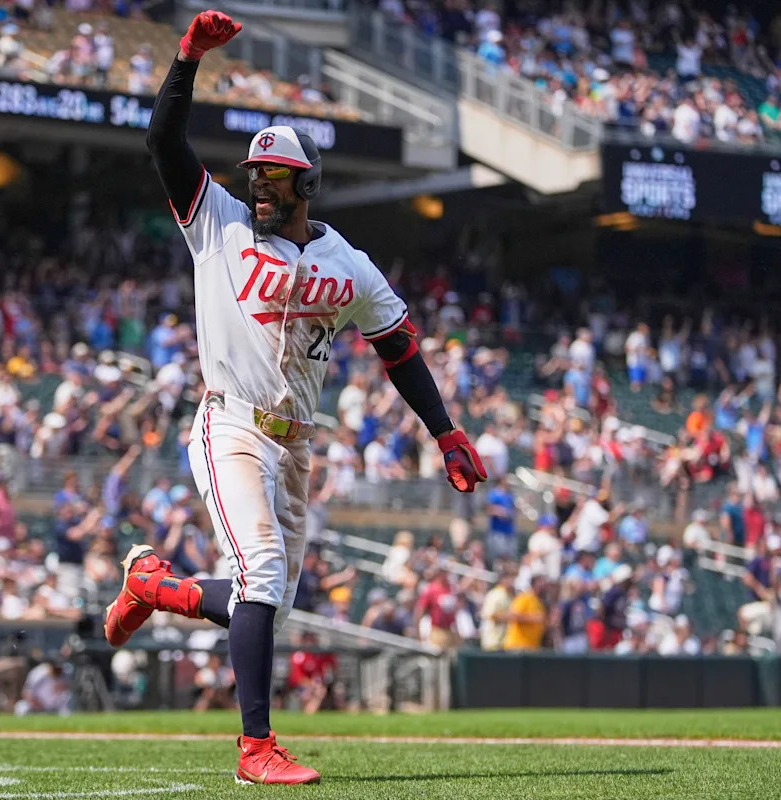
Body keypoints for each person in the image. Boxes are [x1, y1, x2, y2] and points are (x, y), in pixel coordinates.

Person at [101, 10, 486, 786]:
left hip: (296, 444)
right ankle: (255, 751)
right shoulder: (219, 224)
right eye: (255, 174)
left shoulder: (350, 262)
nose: (261, 186)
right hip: (230, 423)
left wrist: (445, 431)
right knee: (266, 574)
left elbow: (398, 347)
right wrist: (187, 58)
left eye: (275, 176)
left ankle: (154, 586)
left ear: (306, 183)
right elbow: (163, 143)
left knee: (266, 598)